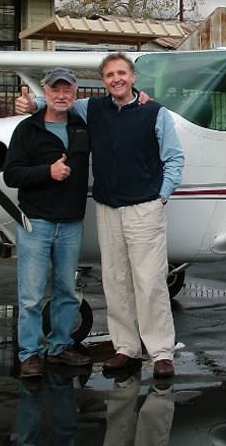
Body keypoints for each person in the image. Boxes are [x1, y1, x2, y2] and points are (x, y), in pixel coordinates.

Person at [15, 52, 184, 378]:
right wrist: (32, 104)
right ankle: (125, 348)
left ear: (133, 77)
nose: (116, 79)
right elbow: (58, 102)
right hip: (108, 207)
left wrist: (162, 195)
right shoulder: (92, 108)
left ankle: (161, 351)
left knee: (149, 282)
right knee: (116, 281)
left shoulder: (155, 112)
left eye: (122, 73)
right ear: (103, 81)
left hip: (144, 207)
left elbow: (174, 159)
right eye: (109, 75)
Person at [5, 67, 92, 378]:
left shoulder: (83, 128)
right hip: (36, 223)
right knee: (30, 295)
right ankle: (29, 353)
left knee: (66, 290)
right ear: (46, 91)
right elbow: (11, 174)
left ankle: (60, 346)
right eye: (55, 89)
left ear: (75, 93)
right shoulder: (27, 130)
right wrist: (47, 172)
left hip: (71, 222)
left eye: (67, 89)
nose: (61, 94)